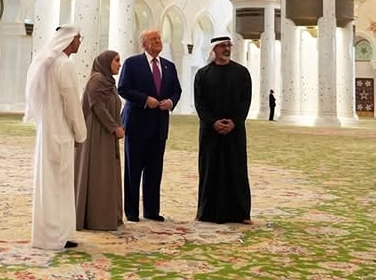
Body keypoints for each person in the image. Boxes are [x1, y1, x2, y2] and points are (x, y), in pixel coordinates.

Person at [24, 25, 87, 249]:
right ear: (70, 40)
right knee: (59, 185)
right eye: (78, 38)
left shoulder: (47, 63)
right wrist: (80, 133)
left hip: (46, 132)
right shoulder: (64, 64)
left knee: (49, 185)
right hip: (61, 133)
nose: (80, 42)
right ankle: (55, 237)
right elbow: (72, 104)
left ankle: (54, 234)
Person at [117, 29, 182, 222]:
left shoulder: (169, 66)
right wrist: (145, 100)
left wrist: (170, 102)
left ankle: (152, 211)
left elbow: (177, 90)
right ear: (144, 44)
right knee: (133, 170)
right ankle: (132, 212)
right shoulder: (132, 63)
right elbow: (123, 89)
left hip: (159, 126)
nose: (158, 41)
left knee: (154, 171)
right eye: (153, 39)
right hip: (137, 125)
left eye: (159, 38)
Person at [193, 35, 253, 225]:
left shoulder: (242, 73)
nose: (227, 49)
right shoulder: (202, 74)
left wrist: (235, 122)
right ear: (214, 49)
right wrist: (213, 122)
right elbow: (200, 103)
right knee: (210, 169)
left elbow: (245, 101)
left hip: (235, 131)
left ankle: (241, 213)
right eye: (222, 46)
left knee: (236, 169)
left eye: (228, 45)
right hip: (210, 132)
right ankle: (206, 212)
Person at [74, 50, 125, 231]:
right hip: (96, 134)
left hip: (106, 133)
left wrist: (118, 125)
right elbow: (98, 108)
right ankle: (95, 218)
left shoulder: (108, 82)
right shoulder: (96, 81)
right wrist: (114, 127)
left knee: (105, 173)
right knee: (98, 172)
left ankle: (105, 215)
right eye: (116, 60)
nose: (119, 64)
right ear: (106, 62)